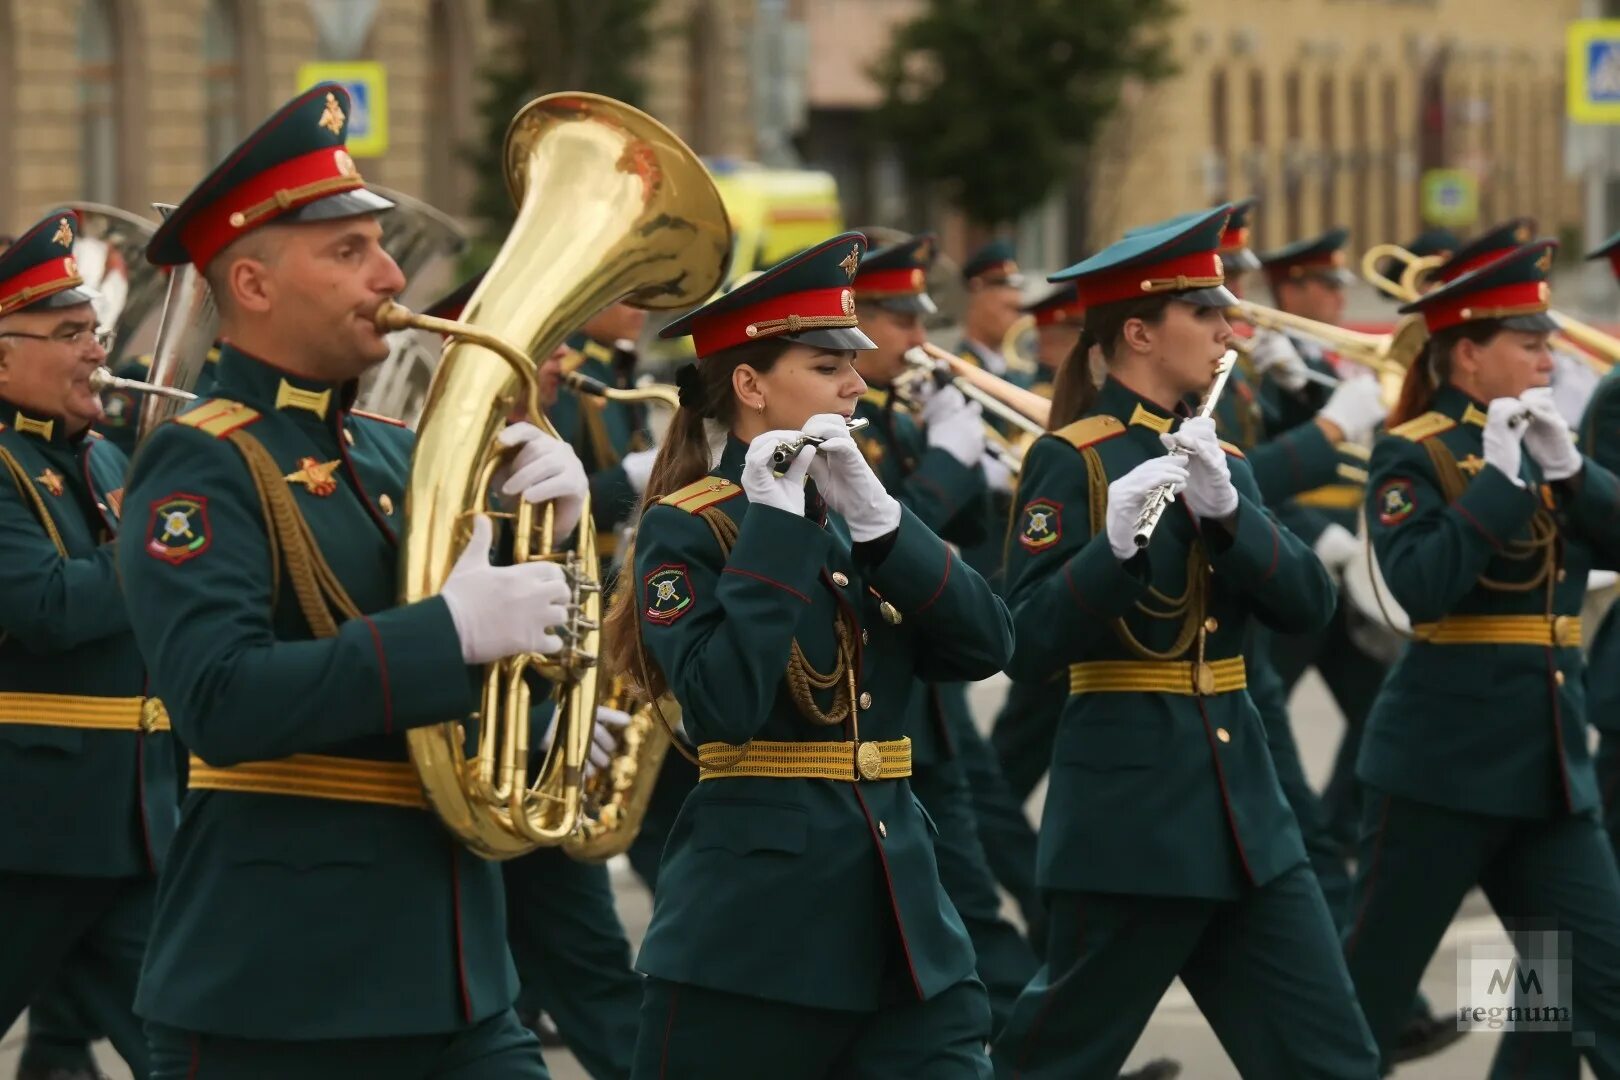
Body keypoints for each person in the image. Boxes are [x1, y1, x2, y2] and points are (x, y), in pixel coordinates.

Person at [116, 83, 588, 1078]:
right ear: (251, 284)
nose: (388, 273)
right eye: (349, 251)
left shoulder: (391, 452)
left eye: (381, 245)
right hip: (285, 990)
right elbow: (220, 701)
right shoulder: (200, 461)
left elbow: (497, 669)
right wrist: (446, 633)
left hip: (458, 971)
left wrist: (555, 551)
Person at [604, 230, 1013, 1077]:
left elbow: (989, 642)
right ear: (750, 383)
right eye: (828, 367)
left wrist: (887, 524)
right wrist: (778, 533)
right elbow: (723, 702)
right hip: (756, 941)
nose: (858, 383)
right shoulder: (692, 528)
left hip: (902, 927)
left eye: (851, 363)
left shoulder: (858, 515)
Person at [991, 205, 1379, 1079]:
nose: (1226, 328)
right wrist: (1114, 552)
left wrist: (1234, 513)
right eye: (1203, 314)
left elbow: (1308, 606)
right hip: (1133, 823)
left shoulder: (1217, 452)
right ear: (1138, 331)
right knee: (1054, 1061)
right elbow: (1026, 640)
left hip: (1245, 815)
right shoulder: (1075, 460)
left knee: (1331, 1058)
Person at [1344, 239, 1620, 1075]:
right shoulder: (1416, 453)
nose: (1550, 357)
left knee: (1589, 983)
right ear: (1469, 352)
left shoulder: (1548, 444)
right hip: (1443, 767)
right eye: (1529, 344)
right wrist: (1501, 483)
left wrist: (1573, 470)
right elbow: (1421, 588)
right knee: (1370, 996)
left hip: (1545, 766)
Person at [0, 210, 179, 1080]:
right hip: (23, 829)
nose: (96, 352)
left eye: (93, 330)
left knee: (188, 1046)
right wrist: (167, 549)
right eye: (70, 333)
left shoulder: (107, 460)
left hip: (128, 822)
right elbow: (43, 605)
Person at [849, 232, 1040, 1025]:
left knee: (963, 885)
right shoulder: (840, 435)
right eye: (900, 319)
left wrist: (974, 466)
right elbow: (875, 552)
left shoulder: (894, 415)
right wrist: (952, 461)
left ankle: (1038, 1044)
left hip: (923, 696)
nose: (921, 338)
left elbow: (949, 547)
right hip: (865, 703)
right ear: (853, 318)